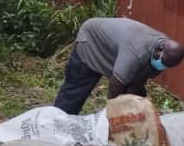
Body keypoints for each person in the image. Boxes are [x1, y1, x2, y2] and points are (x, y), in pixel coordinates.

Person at [54, 18, 184, 115]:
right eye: (162, 62)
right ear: (159, 50)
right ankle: (53, 126)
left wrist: (129, 108)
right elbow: (116, 83)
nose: (161, 66)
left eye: (165, 65)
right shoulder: (136, 50)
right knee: (74, 94)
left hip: (113, 51)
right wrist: (114, 113)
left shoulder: (165, 51)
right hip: (91, 41)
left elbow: (136, 82)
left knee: (136, 98)